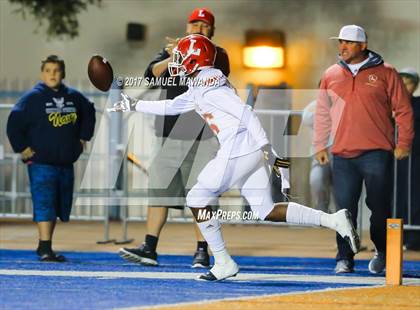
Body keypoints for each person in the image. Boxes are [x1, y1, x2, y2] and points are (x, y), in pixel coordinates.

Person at [111, 34, 360, 281]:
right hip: (247, 151)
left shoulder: (210, 88)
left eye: (181, 57)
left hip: (239, 150)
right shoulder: (202, 84)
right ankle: (334, 220)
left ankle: (222, 261)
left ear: (196, 60)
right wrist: (133, 105)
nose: (177, 62)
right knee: (266, 210)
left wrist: (268, 152)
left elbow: (247, 114)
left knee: (196, 197)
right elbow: (172, 106)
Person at [119, 8, 230, 268]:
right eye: (195, 24)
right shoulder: (172, 51)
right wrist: (173, 57)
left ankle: (202, 251)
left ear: (212, 30)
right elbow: (150, 75)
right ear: (187, 25)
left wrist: (190, 52)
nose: (199, 29)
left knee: (202, 194)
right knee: (159, 191)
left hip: (203, 135)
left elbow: (218, 76)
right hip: (168, 134)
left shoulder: (218, 53)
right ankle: (150, 246)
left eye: (205, 25)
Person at [314, 25, 414, 274]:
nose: (342, 47)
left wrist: (404, 143)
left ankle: (382, 252)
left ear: (362, 45)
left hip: (377, 153)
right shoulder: (331, 74)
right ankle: (344, 257)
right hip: (342, 154)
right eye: (340, 42)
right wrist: (319, 144)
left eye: (348, 42)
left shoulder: (387, 72)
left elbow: (403, 110)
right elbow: (322, 112)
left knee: (380, 208)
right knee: (343, 212)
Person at [6, 55, 96, 262]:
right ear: (42, 73)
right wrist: (22, 148)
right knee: (44, 203)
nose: (52, 74)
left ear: (62, 73)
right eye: (48, 70)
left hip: (65, 163)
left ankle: (44, 246)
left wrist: (83, 138)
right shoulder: (31, 98)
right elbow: (14, 123)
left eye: (56, 70)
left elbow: (89, 111)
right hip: (41, 164)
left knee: (57, 205)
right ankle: (45, 248)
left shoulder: (74, 97)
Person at [397, 68, 420, 250]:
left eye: (409, 82)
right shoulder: (387, 104)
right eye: (401, 82)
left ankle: (413, 238)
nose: (405, 86)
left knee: (414, 195)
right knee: (393, 196)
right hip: (392, 159)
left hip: (415, 159)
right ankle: (393, 237)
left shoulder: (417, 104)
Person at [302, 100, 333, 213]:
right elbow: (306, 117)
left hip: (342, 155)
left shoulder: (344, 103)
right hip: (320, 156)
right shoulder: (315, 105)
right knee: (316, 180)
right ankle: (322, 212)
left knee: (342, 192)